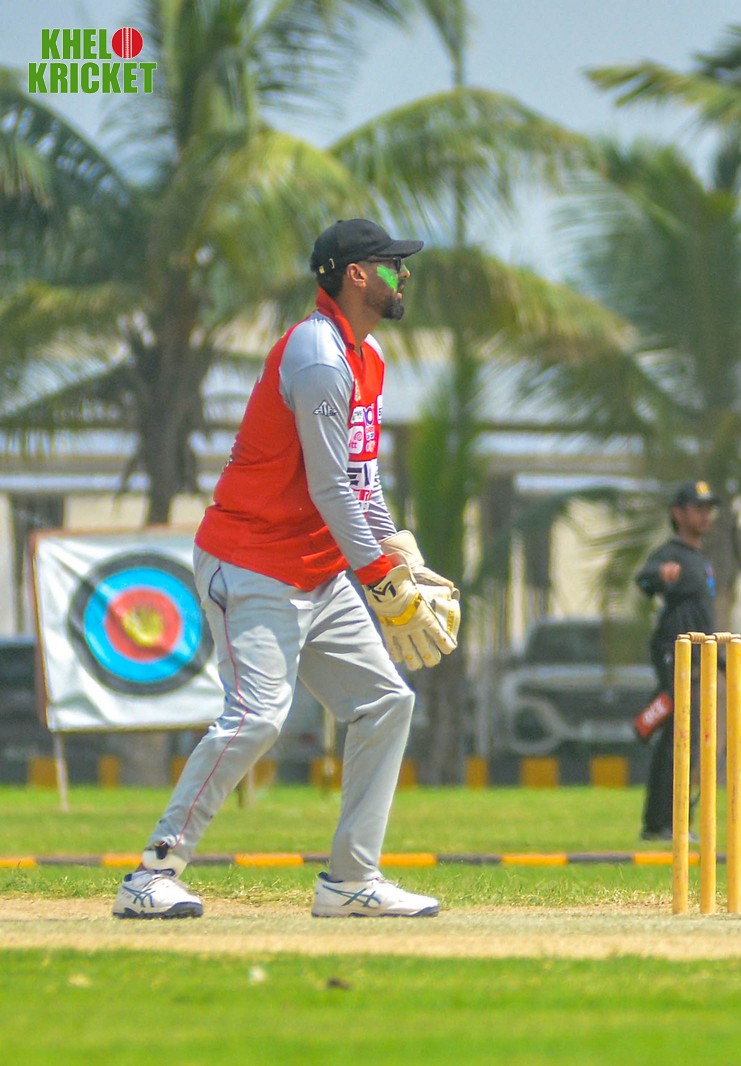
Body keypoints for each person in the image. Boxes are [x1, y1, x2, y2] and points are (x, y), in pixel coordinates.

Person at [113, 219, 458, 920]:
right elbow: (330, 488)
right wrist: (380, 582)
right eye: (391, 264)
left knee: (385, 704)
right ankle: (152, 875)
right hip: (251, 563)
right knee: (257, 717)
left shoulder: (367, 357)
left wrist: (398, 554)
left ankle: (349, 881)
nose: (403, 276)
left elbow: (361, 479)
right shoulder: (318, 356)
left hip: (318, 571)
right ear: (355, 274)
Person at [634, 480, 718, 842]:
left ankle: (662, 822)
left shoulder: (700, 558)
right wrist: (660, 575)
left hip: (698, 654)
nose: (705, 515)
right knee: (681, 734)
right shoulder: (671, 553)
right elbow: (645, 579)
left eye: (708, 508)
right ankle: (667, 821)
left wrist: (722, 661)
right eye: (698, 508)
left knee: (681, 734)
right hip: (674, 651)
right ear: (678, 513)